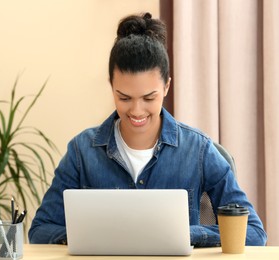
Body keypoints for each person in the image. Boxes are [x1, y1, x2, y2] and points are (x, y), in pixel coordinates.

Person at [28, 12, 267, 247]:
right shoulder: (82, 151)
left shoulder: (199, 150)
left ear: (166, 87)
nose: (136, 110)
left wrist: (186, 233)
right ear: (111, 86)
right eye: (124, 97)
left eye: (148, 98)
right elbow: (40, 230)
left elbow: (254, 233)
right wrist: (90, 235)